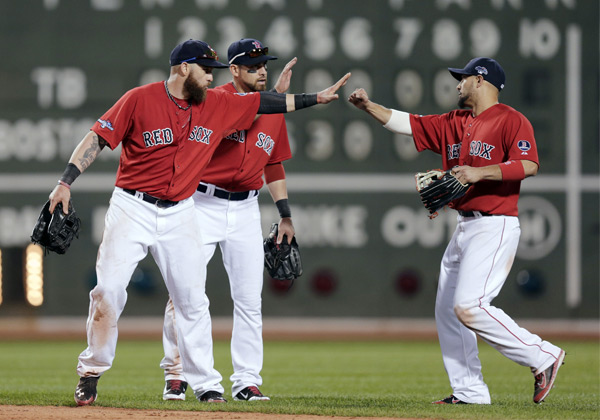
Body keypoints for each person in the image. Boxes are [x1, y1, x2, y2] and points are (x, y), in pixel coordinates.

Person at [47, 38, 350, 406]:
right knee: (108, 292)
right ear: (184, 68)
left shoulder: (217, 104)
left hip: (180, 212)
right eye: (207, 70)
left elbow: (266, 103)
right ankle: (91, 371)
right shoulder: (139, 99)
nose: (212, 77)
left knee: (192, 301)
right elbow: (98, 137)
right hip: (132, 207)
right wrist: (65, 182)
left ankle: (206, 383)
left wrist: (315, 98)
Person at [348, 57, 564, 405]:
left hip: (495, 224)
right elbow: (408, 124)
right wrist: (368, 106)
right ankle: (469, 391)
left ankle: (542, 356)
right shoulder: (454, 121)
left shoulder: (511, 120)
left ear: (480, 80)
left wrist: (479, 173)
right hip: (464, 226)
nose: (457, 84)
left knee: (469, 306)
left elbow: (529, 164)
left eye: (462, 78)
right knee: (449, 311)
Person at [160, 38, 297, 403]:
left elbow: (273, 163)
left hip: (245, 210)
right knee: (184, 294)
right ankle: (176, 373)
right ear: (233, 70)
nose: (262, 70)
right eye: (252, 66)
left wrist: (285, 215)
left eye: (264, 64)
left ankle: (246, 381)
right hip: (202, 202)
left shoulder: (273, 109)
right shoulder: (210, 102)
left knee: (250, 299)